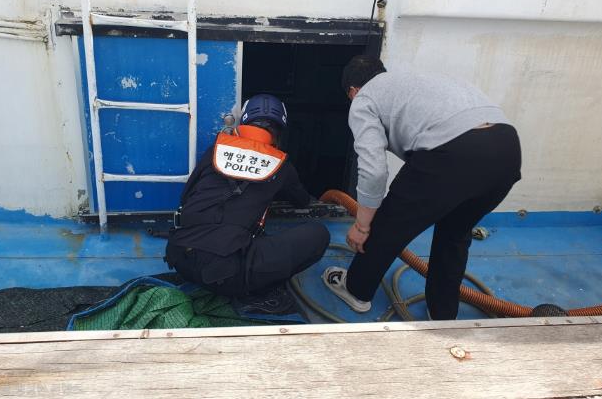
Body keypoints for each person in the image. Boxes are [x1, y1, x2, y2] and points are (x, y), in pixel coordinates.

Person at [322, 56, 521, 320]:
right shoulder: (420, 80)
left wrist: (361, 226)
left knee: (388, 224)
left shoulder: (364, 98)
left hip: (454, 152)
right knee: (455, 233)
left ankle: (356, 290)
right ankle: (442, 314)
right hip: (507, 151)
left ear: (352, 91)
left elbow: (374, 171)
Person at [166, 94, 330, 302]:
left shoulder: (216, 150)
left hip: (178, 256)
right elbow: (302, 200)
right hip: (223, 274)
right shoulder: (281, 165)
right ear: (279, 132)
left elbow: (187, 195)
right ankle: (263, 293)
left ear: (243, 122)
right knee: (318, 234)